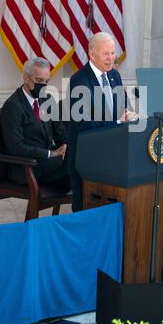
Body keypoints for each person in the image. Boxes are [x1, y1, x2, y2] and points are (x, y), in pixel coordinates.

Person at [67, 32, 137, 212]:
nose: (111, 58)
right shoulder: (79, 81)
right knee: (85, 214)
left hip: (111, 159)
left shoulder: (114, 76)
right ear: (92, 54)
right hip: (87, 161)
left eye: (113, 53)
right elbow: (84, 126)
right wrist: (117, 122)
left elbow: (121, 108)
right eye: (106, 53)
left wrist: (129, 115)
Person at [0, 57, 70, 191]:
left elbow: (59, 131)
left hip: (47, 163)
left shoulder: (46, 99)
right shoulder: (13, 106)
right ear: (26, 78)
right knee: (75, 168)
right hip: (27, 167)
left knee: (82, 161)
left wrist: (66, 145)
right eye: (39, 80)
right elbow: (17, 148)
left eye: (46, 81)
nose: (43, 85)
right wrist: (50, 153)